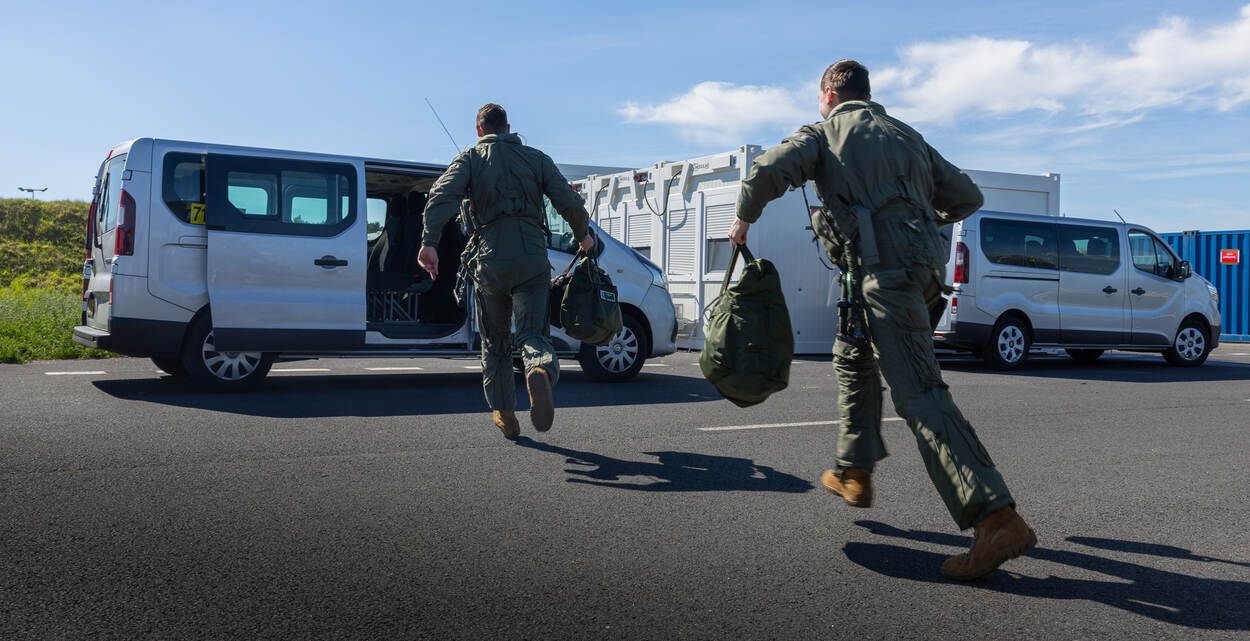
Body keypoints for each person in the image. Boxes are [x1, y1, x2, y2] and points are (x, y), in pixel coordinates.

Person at [727, 60, 1036, 580]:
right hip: (913, 277)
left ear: (829, 95)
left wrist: (743, 221)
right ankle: (855, 469)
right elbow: (968, 196)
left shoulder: (824, 133)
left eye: (820, 98)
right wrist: (918, 218)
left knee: (920, 395)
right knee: (852, 357)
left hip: (884, 280)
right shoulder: (908, 136)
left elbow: (765, 172)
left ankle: (996, 518)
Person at [418, 103, 595, 439]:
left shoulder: (470, 158)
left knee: (495, 340)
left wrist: (429, 242)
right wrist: (583, 236)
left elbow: (441, 196)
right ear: (509, 129)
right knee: (533, 334)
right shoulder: (536, 158)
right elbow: (569, 201)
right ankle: (539, 369)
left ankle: (505, 414)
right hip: (531, 259)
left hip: (490, 261)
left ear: (479, 131)